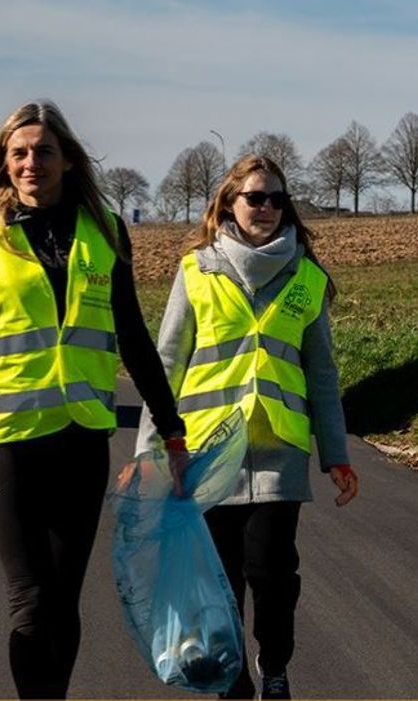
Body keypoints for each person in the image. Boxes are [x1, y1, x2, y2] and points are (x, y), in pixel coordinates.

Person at [0, 99, 188, 699]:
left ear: (67, 159)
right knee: (31, 602)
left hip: (81, 433)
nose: (31, 162)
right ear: (3, 163)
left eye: (43, 151)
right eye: (18, 153)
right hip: (8, 437)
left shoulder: (107, 232)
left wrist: (171, 429)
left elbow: (134, 338)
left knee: (64, 600)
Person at [135, 154, 359, 699]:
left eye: (277, 199)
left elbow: (322, 374)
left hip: (279, 451)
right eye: (255, 197)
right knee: (221, 581)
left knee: (274, 576)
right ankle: (233, 677)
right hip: (210, 452)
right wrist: (150, 451)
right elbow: (166, 363)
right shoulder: (197, 270)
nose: (266, 208)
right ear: (229, 203)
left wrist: (336, 453)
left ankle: (274, 665)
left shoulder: (306, 277)